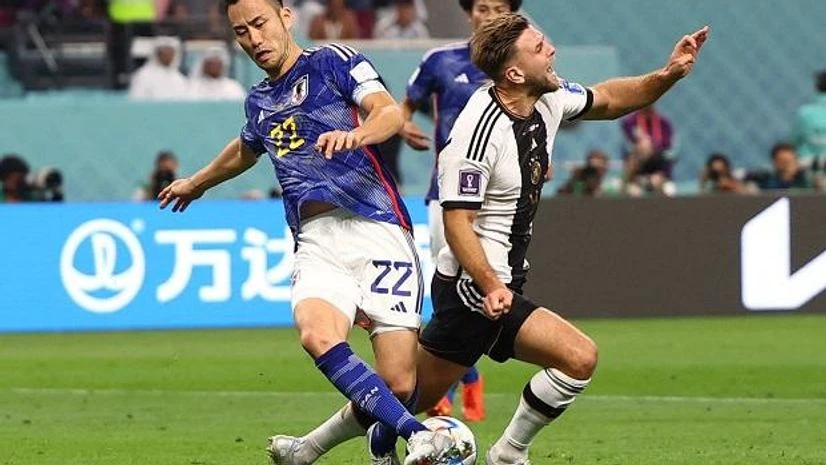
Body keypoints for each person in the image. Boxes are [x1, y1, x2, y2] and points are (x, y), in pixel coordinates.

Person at [270, 12, 709, 465]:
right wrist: (490, 285)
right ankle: (508, 454)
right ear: (514, 73)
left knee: (407, 393)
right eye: (539, 47)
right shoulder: (477, 134)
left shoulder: (548, 96)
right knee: (578, 358)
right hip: (474, 287)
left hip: (497, 282)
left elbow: (611, 98)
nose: (552, 50)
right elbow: (457, 222)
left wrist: (668, 74)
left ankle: (308, 449)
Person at [157, 1, 461, 465]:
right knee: (317, 335)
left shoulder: (333, 61)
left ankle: (314, 449)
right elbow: (245, 148)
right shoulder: (259, 101)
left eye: (259, 24)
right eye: (241, 32)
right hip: (317, 239)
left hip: (378, 226)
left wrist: (356, 135)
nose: (254, 39)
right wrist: (197, 183)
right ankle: (419, 435)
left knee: (398, 384)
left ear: (286, 17)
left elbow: (387, 112)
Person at [398, 0, 523, 424]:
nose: (490, 16)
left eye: (499, 8)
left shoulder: (522, 66)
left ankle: (455, 381)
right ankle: (460, 380)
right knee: (447, 288)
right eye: (482, 8)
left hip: (502, 199)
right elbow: (405, 105)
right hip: (449, 195)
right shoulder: (440, 60)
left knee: (489, 289)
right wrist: (402, 123)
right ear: (470, 13)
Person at [127, 36, 189, 101]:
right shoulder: (143, 76)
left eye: (170, 53)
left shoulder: (179, 78)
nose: (168, 56)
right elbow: (136, 100)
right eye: (164, 53)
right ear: (156, 54)